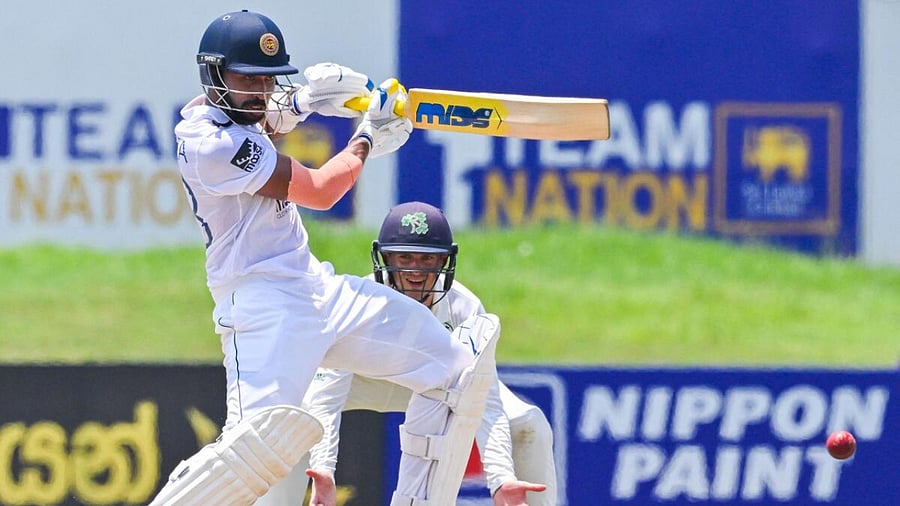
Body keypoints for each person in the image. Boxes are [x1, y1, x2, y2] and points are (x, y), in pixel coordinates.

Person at [150, 11, 501, 506]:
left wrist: (305, 100)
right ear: (212, 75)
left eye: (268, 79)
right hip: (262, 309)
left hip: (318, 290)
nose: (259, 89)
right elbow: (321, 191)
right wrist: (366, 135)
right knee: (249, 457)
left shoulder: (239, 115)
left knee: (456, 371)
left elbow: (265, 117)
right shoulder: (209, 143)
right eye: (247, 78)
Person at [259, 202, 557, 506]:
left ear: (444, 262)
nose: (415, 270)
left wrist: (500, 479)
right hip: (362, 383)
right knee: (290, 422)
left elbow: (485, 399)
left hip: (432, 387)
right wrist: (323, 470)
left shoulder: (464, 308)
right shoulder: (356, 302)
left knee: (528, 423)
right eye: (405, 257)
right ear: (385, 258)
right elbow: (326, 393)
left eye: (427, 259)